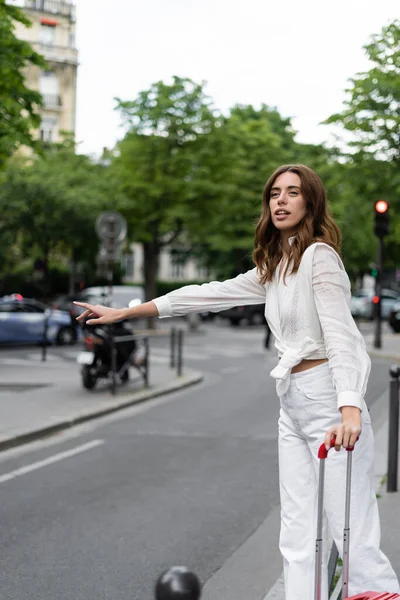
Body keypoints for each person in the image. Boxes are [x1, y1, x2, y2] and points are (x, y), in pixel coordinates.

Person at [74, 165, 399, 600]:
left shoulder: (319, 257)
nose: (280, 201)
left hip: (326, 401)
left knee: (351, 529)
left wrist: (350, 407)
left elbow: (343, 336)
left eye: (293, 193)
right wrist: (127, 312)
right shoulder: (276, 265)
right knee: (298, 531)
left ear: (310, 203)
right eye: (274, 194)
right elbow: (207, 293)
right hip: (293, 405)